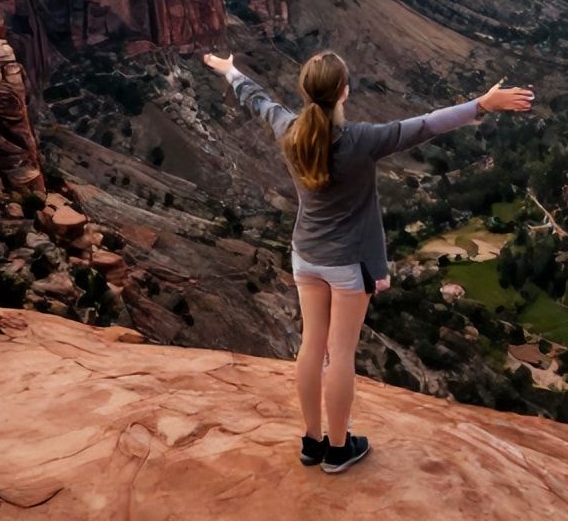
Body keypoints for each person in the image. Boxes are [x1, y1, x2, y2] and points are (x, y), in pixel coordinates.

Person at [203, 50, 534, 474]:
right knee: (339, 354)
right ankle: (339, 449)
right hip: (347, 262)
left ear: (306, 93)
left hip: (305, 255)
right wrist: (482, 105)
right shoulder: (361, 140)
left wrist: (229, 70)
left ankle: (311, 441)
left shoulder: (289, 129)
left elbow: (257, 99)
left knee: (311, 345)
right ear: (344, 91)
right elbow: (427, 124)